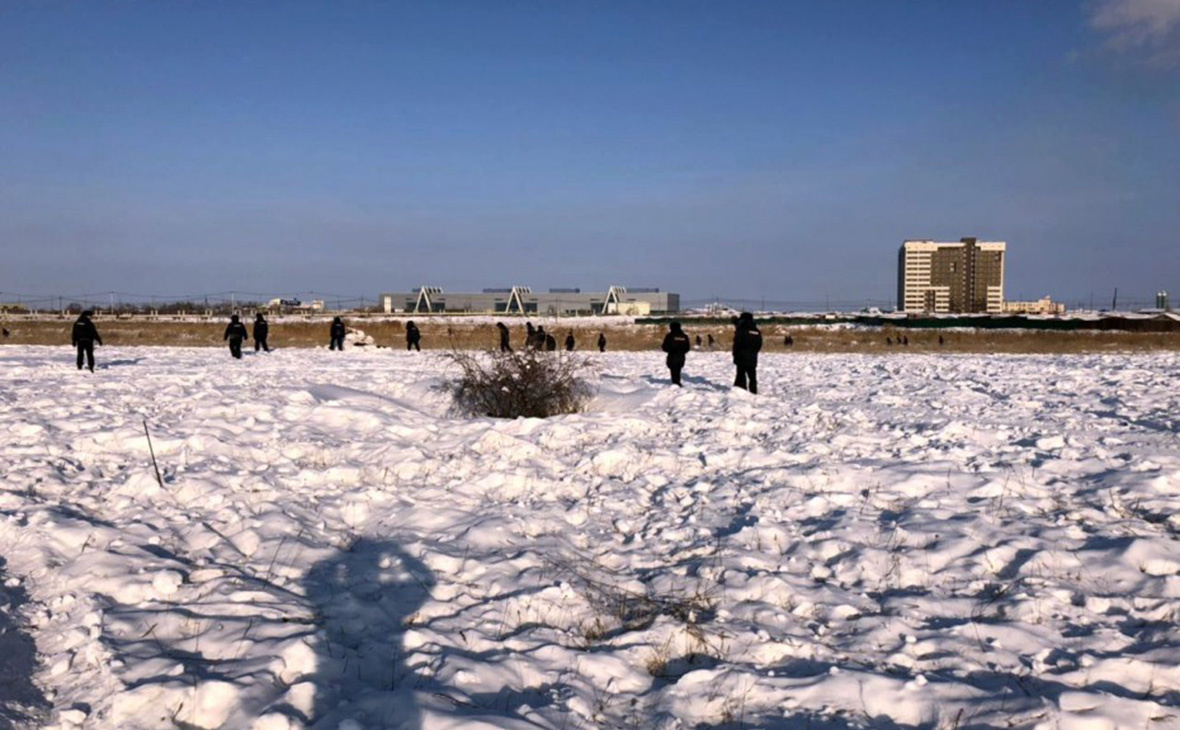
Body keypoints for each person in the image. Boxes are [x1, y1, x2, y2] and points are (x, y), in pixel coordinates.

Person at [732, 312, 763, 394]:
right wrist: (754, 352)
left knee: (741, 375)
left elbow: (737, 343)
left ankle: (742, 393)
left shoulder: (741, 329)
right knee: (752, 376)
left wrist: (735, 354)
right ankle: (753, 392)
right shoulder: (756, 331)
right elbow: (759, 344)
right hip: (752, 357)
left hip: (741, 357)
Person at [661, 322, 691, 386]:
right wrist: (681, 352)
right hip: (681, 356)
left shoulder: (669, 336)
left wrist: (671, 350)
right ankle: (677, 382)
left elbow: (664, 347)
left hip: (672, 355)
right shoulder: (684, 336)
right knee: (678, 369)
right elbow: (687, 347)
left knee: (673, 369)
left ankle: (675, 383)